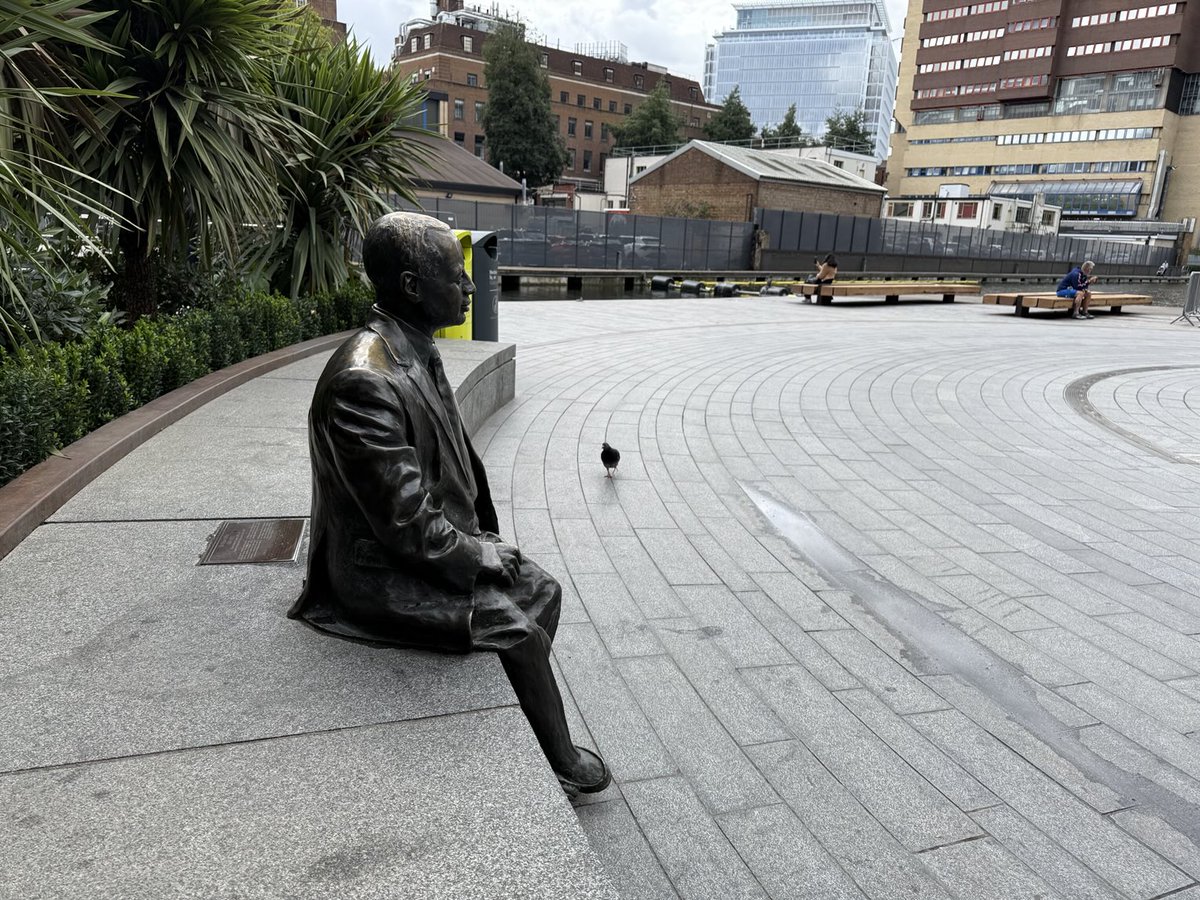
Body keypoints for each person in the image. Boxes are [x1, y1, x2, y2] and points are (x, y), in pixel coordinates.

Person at [289, 211, 610, 795]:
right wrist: (471, 556)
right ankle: (559, 758)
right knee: (516, 630)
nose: (469, 285)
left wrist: (479, 539)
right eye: (455, 274)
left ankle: (512, 711)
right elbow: (404, 519)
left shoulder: (414, 348)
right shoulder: (363, 382)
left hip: (429, 544)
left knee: (545, 590)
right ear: (412, 287)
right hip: (374, 571)